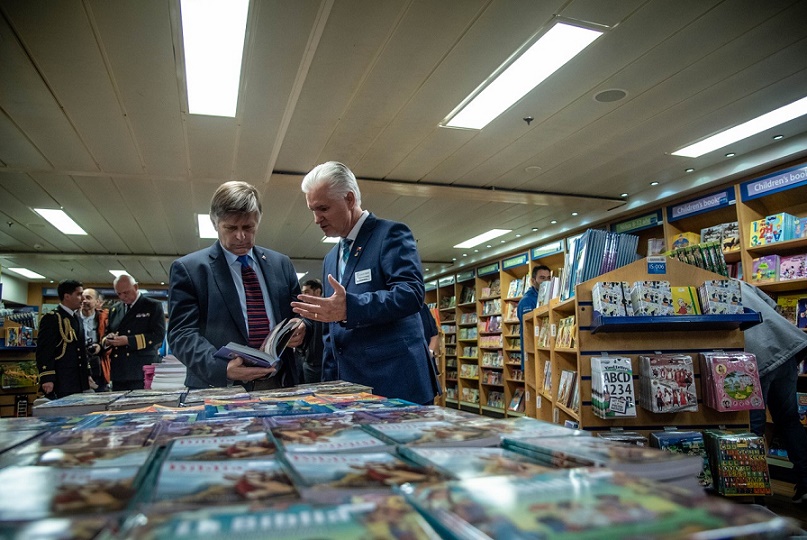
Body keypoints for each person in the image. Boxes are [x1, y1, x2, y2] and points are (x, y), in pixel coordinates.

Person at [292, 161, 440, 404]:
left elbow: (411, 293)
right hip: (349, 389)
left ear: (349, 199)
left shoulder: (390, 234)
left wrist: (350, 308)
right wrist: (328, 384)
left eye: (323, 208)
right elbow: (332, 331)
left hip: (395, 384)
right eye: (312, 210)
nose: (316, 219)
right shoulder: (331, 258)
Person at [168, 180, 307, 390]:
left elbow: (300, 313)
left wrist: (303, 327)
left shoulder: (281, 264)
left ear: (258, 220)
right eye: (231, 228)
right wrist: (220, 367)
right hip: (221, 386)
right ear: (214, 223)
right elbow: (182, 333)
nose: (241, 236)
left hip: (279, 382)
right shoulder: (190, 269)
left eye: (248, 227)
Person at [740, 280, 807, 503]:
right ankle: (805, 484)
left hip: (753, 359)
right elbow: (773, 306)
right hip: (784, 346)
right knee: (789, 420)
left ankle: (755, 493)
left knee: (753, 427)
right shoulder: (739, 283)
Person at [104, 274, 166, 390]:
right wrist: (109, 339)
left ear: (136, 287)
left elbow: (158, 335)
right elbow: (107, 332)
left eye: (126, 292)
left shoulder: (152, 306)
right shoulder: (115, 309)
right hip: (119, 370)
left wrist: (128, 340)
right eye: (119, 294)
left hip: (141, 368)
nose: (123, 297)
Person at [36, 279, 93, 398]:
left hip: (77, 379)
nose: (82, 299)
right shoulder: (52, 318)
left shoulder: (77, 318)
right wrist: (47, 377)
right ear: (67, 296)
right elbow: (45, 350)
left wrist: (86, 374)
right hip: (61, 379)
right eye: (79, 294)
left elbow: (81, 350)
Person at [516, 265, 551, 368]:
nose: (546, 281)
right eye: (542, 278)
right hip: (532, 354)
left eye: (549, 278)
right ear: (533, 281)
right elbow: (529, 328)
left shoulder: (549, 295)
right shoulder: (527, 301)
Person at [79, 288, 110, 392]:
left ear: (97, 302)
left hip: (99, 364)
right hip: (78, 364)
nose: (84, 301)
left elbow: (111, 338)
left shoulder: (105, 318)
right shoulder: (73, 317)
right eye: (82, 298)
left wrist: (100, 347)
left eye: (88, 298)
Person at [294, 279, 325, 384]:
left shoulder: (329, 311)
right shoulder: (303, 313)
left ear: (317, 292)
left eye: (307, 292)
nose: (304, 296)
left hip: (324, 364)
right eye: (302, 292)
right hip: (308, 363)